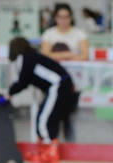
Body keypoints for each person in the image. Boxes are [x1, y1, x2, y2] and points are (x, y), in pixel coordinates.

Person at [5, 37, 76, 163]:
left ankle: (50, 153)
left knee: (44, 119)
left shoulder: (25, 59)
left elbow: (23, 81)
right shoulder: (32, 57)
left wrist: (9, 94)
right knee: (45, 118)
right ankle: (45, 151)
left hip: (58, 86)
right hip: (60, 86)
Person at [40, 4, 87, 142]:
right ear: (55, 18)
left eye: (66, 17)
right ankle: (51, 142)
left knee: (69, 116)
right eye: (60, 17)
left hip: (73, 83)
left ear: (71, 18)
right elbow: (45, 55)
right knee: (51, 114)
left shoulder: (79, 34)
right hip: (52, 82)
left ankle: (70, 144)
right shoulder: (49, 34)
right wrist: (68, 54)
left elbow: (85, 55)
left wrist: (58, 56)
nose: (63, 20)